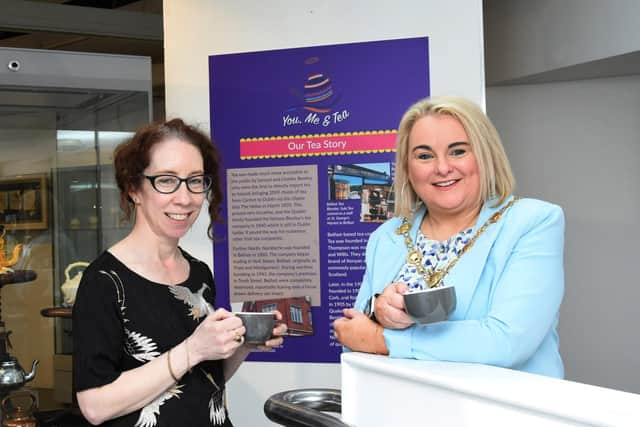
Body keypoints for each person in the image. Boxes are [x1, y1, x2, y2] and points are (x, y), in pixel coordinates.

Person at [72, 119, 287, 426]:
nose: (185, 198)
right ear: (134, 188)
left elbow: (206, 378)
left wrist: (243, 346)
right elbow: (94, 407)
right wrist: (193, 349)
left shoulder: (198, 272)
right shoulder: (104, 282)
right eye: (167, 180)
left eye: (195, 180)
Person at [333, 96, 564, 378]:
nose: (442, 168)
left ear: (485, 155)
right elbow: (354, 339)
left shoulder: (532, 222)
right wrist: (379, 314)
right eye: (424, 155)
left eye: (457, 151)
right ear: (407, 168)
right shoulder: (388, 235)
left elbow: (507, 342)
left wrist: (383, 340)